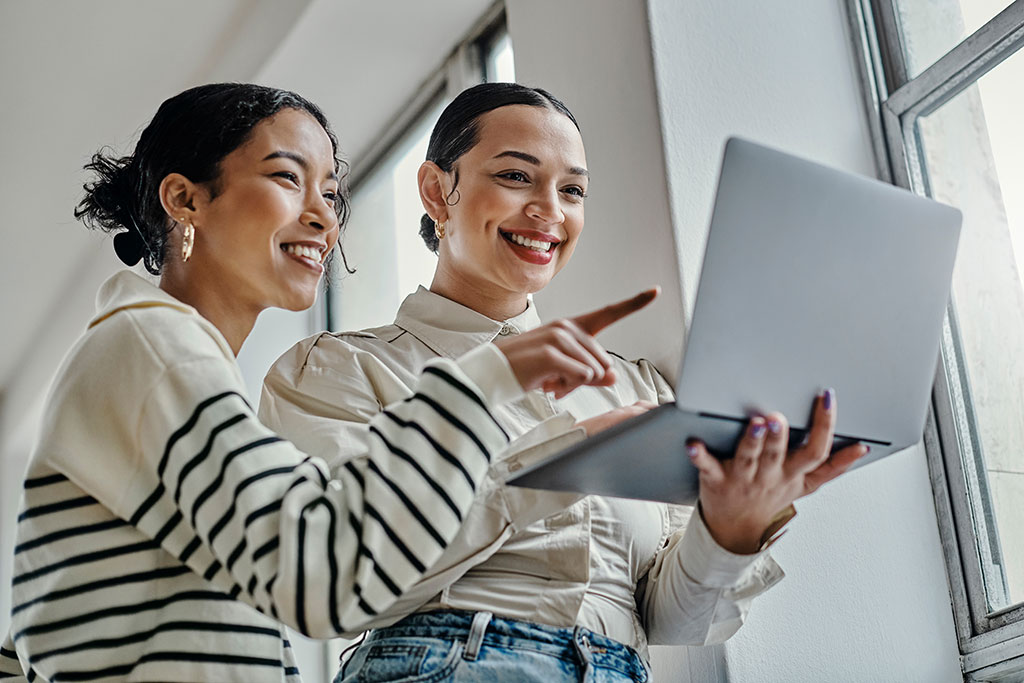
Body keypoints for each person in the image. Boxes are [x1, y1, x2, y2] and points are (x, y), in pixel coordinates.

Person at [0, 82, 654, 683]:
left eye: (332, 193)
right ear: (185, 199)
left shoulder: (173, 360)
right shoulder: (155, 345)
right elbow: (326, 576)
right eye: (288, 177)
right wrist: (488, 380)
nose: (322, 216)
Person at [260, 83, 867, 682]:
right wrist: (565, 462)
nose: (550, 209)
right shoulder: (338, 369)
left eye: (572, 189)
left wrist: (733, 526)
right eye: (516, 177)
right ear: (437, 191)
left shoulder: (637, 389)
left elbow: (670, 622)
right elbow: (342, 583)